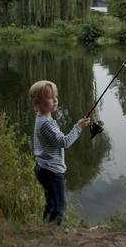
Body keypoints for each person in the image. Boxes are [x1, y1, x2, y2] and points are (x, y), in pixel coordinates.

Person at [29, 80, 90, 225]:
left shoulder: (42, 119)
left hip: (43, 167)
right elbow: (64, 142)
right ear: (37, 101)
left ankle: (45, 228)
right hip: (51, 170)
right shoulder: (46, 124)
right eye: (50, 97)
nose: (55, 100)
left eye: (55, 96)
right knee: (60, 206)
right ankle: (53, 233)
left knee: (50, 202)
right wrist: (78, 127)